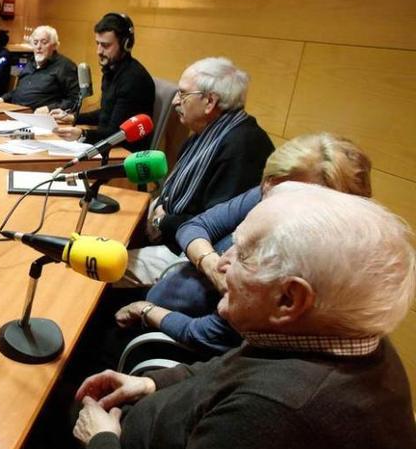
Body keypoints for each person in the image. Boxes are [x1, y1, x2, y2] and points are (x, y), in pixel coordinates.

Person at [73, 183, 416, 449]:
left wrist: (101, 442)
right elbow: (231, 366)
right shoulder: (334, 335)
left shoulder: (273, 415)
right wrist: (152, 384)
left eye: (243, 253)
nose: (221, 262)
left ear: (289, 299)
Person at [115, 133, 373, 354]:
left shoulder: (304, 260)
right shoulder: (273, 189)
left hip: (175, 338)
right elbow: (194, 226)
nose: (265, 193)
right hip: (174, 291)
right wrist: (210, 263)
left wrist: (145, 310)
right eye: (268, 181)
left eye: (281, 190)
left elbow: (208, 335)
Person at [124, 57, 274, 286]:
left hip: (194, 254)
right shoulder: (207, 132)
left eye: (183, 94)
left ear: (210, 101)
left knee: (110, 268)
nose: (175, 101)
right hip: (171, 228)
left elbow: (217, 226)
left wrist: (163, 223)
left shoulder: (244, 146)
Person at [51, 13, 155, 151]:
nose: (99, 51)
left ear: (126, 44)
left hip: (123, 154)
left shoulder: (133, 80)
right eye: (97, 44)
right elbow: (106, 113)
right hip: (108, 145)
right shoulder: (111, 70)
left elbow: (118, 134)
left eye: (105, 45)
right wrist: (73, 118)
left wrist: (83, 134)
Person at [0, 25, 79, 111]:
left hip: (42, 118)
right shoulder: (29, 63)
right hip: (14, 112)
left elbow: (74, 100)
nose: (38, 47)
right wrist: (3, 99)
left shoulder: (65, 66)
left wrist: (48, 108)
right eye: (35, 43)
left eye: (44, 42)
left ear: (54, 45)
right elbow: (20, 91)